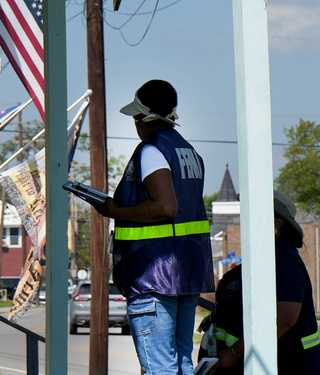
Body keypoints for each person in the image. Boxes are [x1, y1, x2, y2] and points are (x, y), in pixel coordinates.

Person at [93, 80, 214, 374]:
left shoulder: (151, 151)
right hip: (185, 275)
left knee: (160, 369)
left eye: (136, 118)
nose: (136, 125)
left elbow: (165, 206)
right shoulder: (189, 152)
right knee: (183, 363)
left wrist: (115, 211)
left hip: (153, 277)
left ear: (145, 119)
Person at [203, 191, 320, 374]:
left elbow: (285, 319)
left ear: (277, 224)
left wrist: (235, 352)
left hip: (291, 365)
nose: (248, 219)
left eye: (256, 213)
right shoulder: (265, 258)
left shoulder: (284, 261)